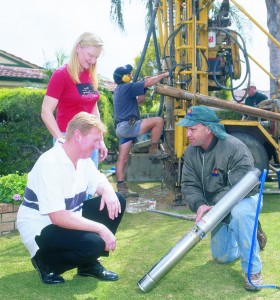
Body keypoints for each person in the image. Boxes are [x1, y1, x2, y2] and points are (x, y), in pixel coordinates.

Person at [17, 112, 126, 285]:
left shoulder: (82, 158)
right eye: (95, 140)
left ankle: (87, 265)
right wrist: (101, 229)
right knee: (94, 243)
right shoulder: (50, 163)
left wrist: (108, 191)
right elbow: (58, 217)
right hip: (43, 228)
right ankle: (45, 262)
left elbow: (98, 181)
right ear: (77, 136)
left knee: (117, 200)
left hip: (66, 221)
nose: (98, 146)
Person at [177, 105, 267, 291]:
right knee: (222, 257)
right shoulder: (190, 153)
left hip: (245, 198)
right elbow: (189, 185)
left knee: (240, 213)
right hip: (215, 207)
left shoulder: (234, 148)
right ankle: (248, 234)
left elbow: (241, 189)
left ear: (208, 128)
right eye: (187, 129)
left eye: (192, 129)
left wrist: (214, 207)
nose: (188, 134)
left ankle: (253, 271)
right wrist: (200, 205)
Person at [41, 32, 108, 168]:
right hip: (69, 138)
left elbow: (94, 110)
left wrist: (100, 139)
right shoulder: (61, 75)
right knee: (68, 186)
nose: (93, 61)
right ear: (78, 48)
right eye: (90, 55)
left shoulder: (90, 75)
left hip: (90, 139)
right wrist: (61, 140)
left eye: (96, 57)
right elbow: (46, 112)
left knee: (89, 186)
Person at [113, 64, 170, 197]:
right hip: (129, 126)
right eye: (129, 74)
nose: (131, 76)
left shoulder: (120, 89)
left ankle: (121, 188)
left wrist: (144, 88)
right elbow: (149, 81)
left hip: (122, 128)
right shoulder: (127, 87)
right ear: (125, 77)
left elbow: (140, 100)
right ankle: (154, 150)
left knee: (122, 159)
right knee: (158, 121)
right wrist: (165, 75)